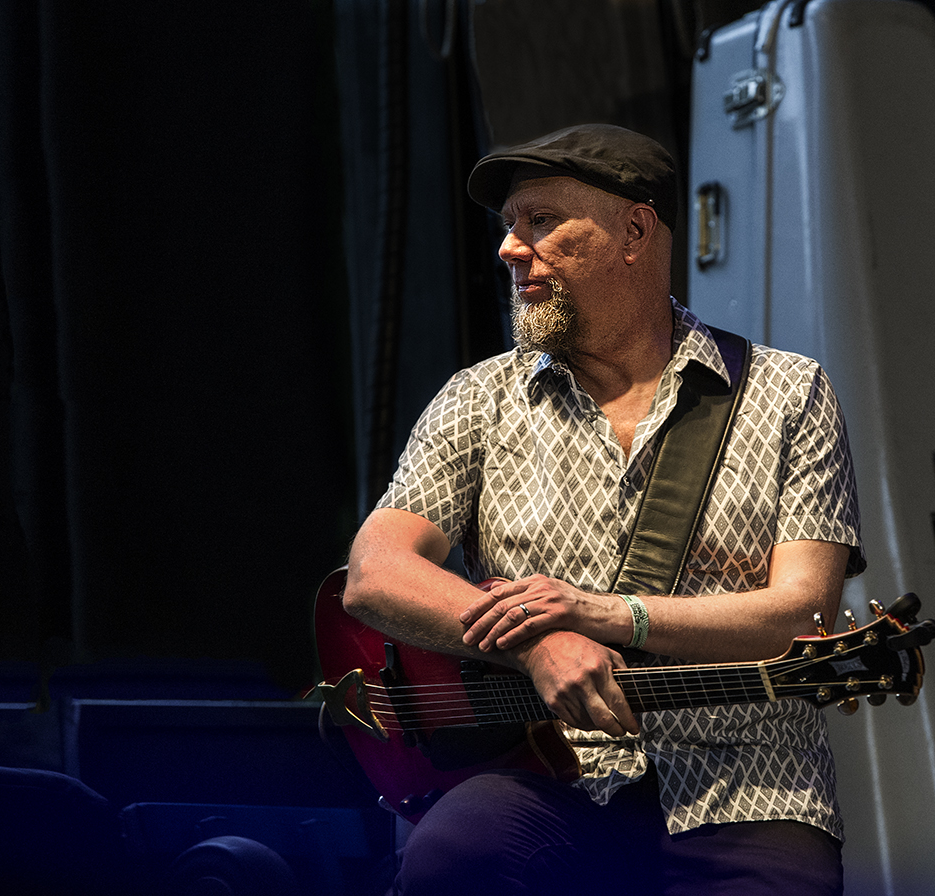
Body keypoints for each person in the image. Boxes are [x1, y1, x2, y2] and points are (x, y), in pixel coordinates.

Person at [343, 123, 866, 895]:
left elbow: (801, 611)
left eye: (541, 221)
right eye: (509, 226)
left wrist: (602, 615)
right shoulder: (478, 399)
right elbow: (373, 572)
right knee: (455, 853)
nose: (510, 249)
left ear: (633, 230)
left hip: (750, 785)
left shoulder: (790, 393)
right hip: (544, 775)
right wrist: (536, 645)